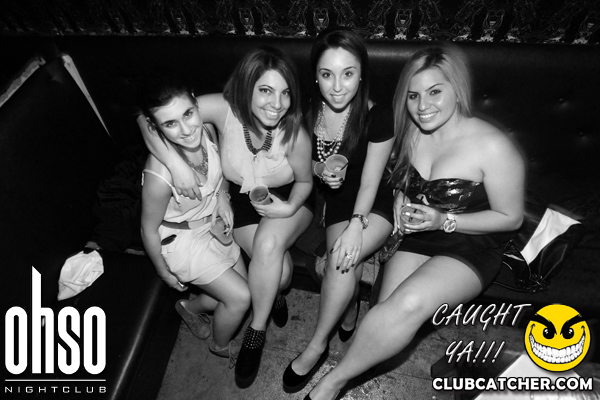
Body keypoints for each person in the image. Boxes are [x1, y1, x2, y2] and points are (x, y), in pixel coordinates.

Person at [303, 46, 525, 400]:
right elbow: (394, 174)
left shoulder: (493, 146)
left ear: (457, 90)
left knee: (407, 305)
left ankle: (332, 383)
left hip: (470, 244)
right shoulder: (411, 131)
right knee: (383, 315)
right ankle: (346, 360)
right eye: (413, 95)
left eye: (435, 92)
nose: (423, 106)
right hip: (417, 235)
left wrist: (444, 220)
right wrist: (399, 195)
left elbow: (511, 218)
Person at [138, 47, 313, 388]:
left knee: (268, 248)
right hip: (243, 204)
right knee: (279, 273)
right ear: (247, 88)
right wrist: (174, 164)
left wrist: (289, 207)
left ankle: (256, 330)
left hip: (289, 200)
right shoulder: (221, 110)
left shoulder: (294, 133)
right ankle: (272, 293)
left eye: (285, 92)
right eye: (265, 90)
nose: (277, 104)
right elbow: (149, 117)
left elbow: (306, 183)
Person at [282, 27, 395, 393]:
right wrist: (321, 171)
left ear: (361, 74)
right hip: (336, 204)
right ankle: (349, 307)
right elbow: (304, 163)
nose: (337, 86)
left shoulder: (379, 116)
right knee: (345, 263)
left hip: (374, 204)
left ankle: (316, 346)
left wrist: (357, 226)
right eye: (327, 74)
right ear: (316, 76)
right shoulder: (308, 113)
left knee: (343, 259)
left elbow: (371, 183)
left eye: (348, 73)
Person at [138, 74, 250, 365]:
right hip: (182, 241)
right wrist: (163, 273)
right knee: (240, 298)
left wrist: (223, 196)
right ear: (155, 127)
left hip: (213, 224)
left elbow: (222, 174)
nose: (186, 130)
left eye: (188, 114)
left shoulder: (208, 130)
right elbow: (148, 229)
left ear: (196, 103)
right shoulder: (159, 176)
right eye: (170, 124)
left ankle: (188, 308)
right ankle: (220, 345)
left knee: (238, 289)